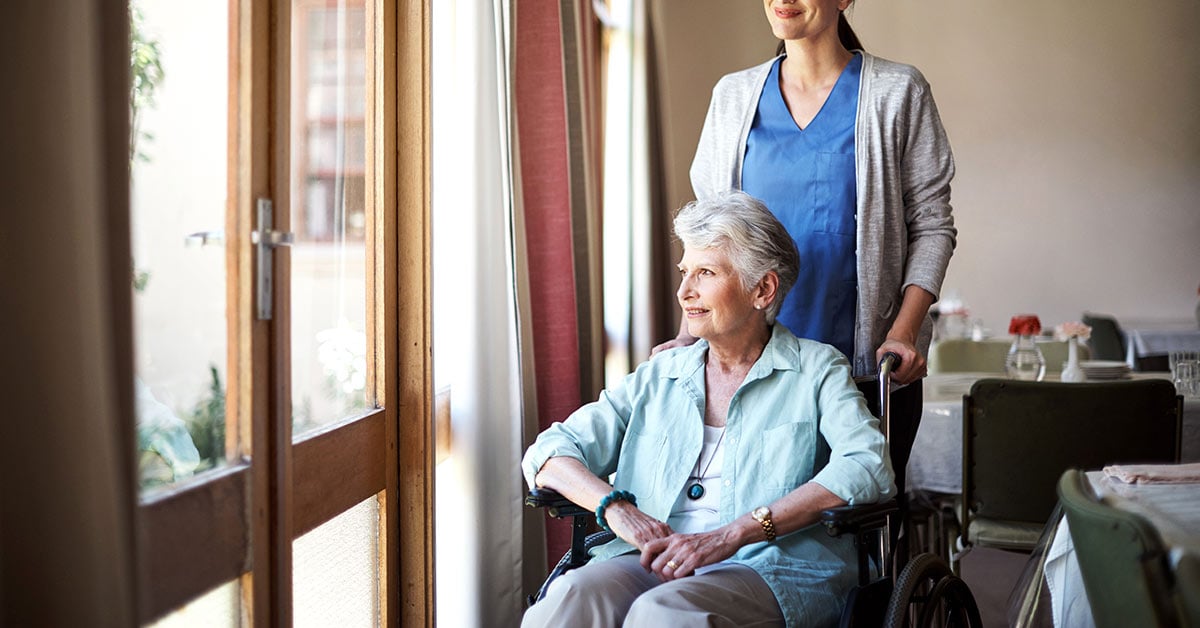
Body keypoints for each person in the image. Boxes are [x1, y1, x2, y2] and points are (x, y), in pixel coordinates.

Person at [522, 191, 895, 627]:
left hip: (767, 567)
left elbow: (867, 463)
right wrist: (618, 510)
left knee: (661, 614)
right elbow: (549, 452)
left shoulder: (816, 369)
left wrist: (733, 534)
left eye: (705, 273)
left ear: (762, 289)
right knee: (570, 595)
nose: (684, 292)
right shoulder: (660, 374)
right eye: (684, 272)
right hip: (652, 560)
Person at [654, 0, 956, 510]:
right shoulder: (733, 97)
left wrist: (903, 332)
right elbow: (710, 236)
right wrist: (689, 335)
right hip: (749, 372)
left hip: (863, 373)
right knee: (752, 533)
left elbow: (932, 226)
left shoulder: (896, 91)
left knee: (856, 541)